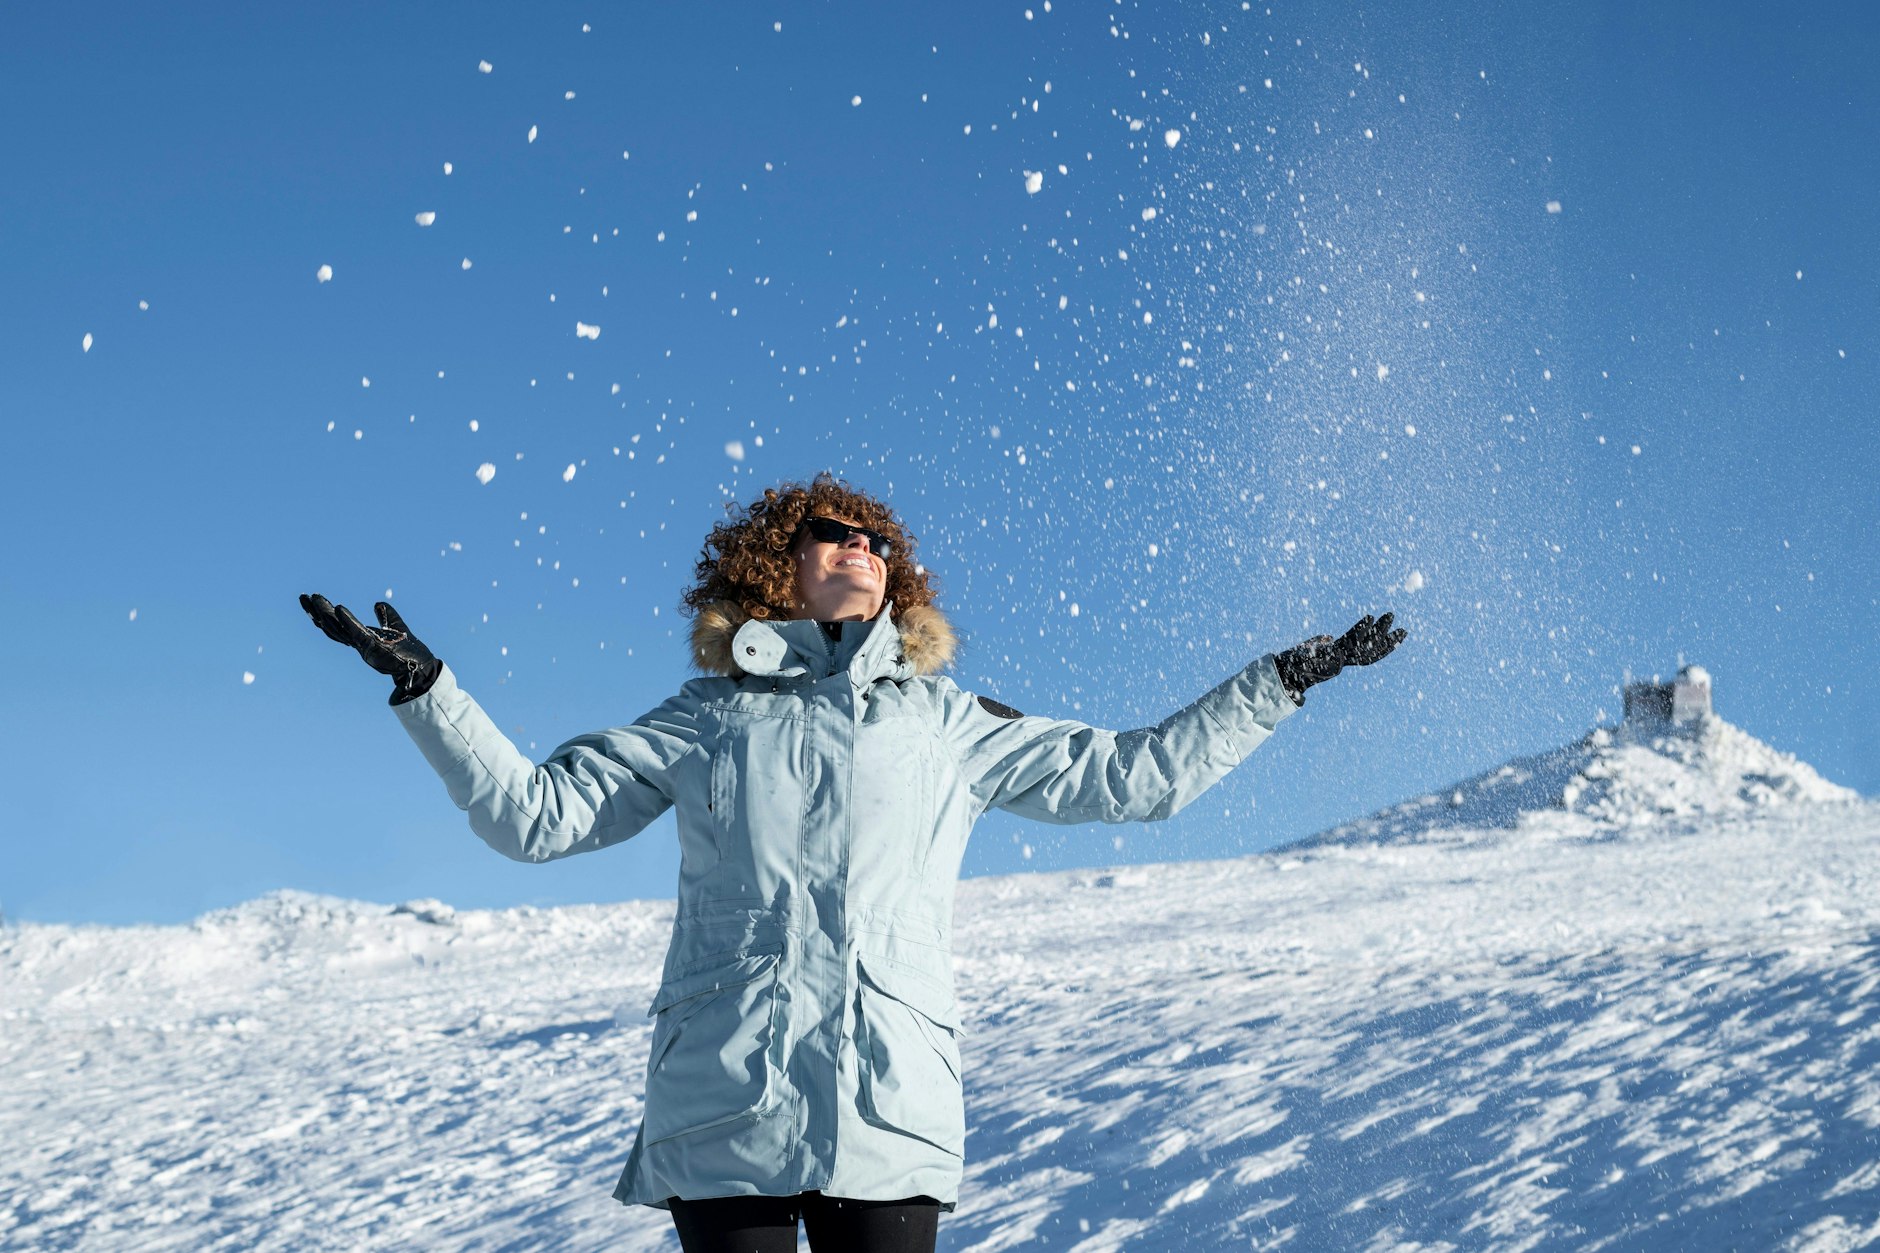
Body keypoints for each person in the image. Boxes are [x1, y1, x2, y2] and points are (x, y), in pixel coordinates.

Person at [300, 473, 1405, 1253]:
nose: (859, 548)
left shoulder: (945, 720)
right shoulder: (705, 718)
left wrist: (1277, 680)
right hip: (725, 1091)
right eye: (830, 532)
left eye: (875, 540)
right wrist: (428, 690)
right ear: (771, 566)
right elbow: (536, 818)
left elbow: (1133, 778)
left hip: (888, 1093)